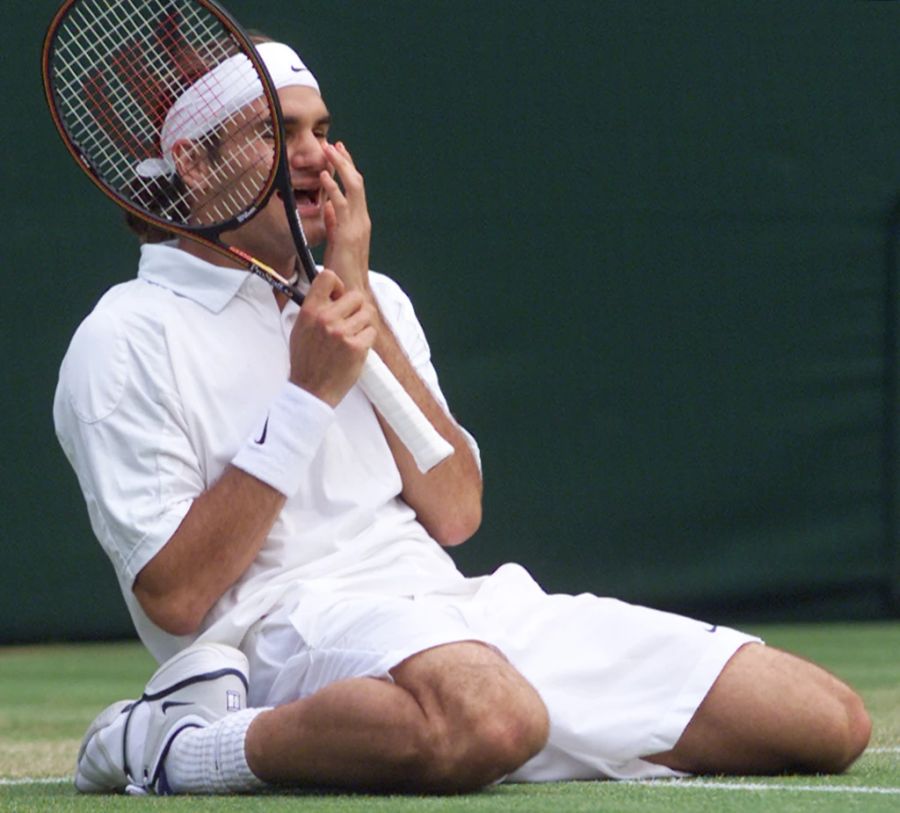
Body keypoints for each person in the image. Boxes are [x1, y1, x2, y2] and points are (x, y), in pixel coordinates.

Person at [54, 39, 871, 797]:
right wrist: (306, 397)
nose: (314, 156)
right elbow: (177, 595)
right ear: (194, 164)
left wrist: (356, 298)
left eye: (322, 130)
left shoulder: (376, 298)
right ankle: (177, 744)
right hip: (276, 634)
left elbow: (456, 510)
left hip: (454, 609)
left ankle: (479, 735)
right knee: (492, 717)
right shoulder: (126, 335)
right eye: (275, 132)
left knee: (826, 721)